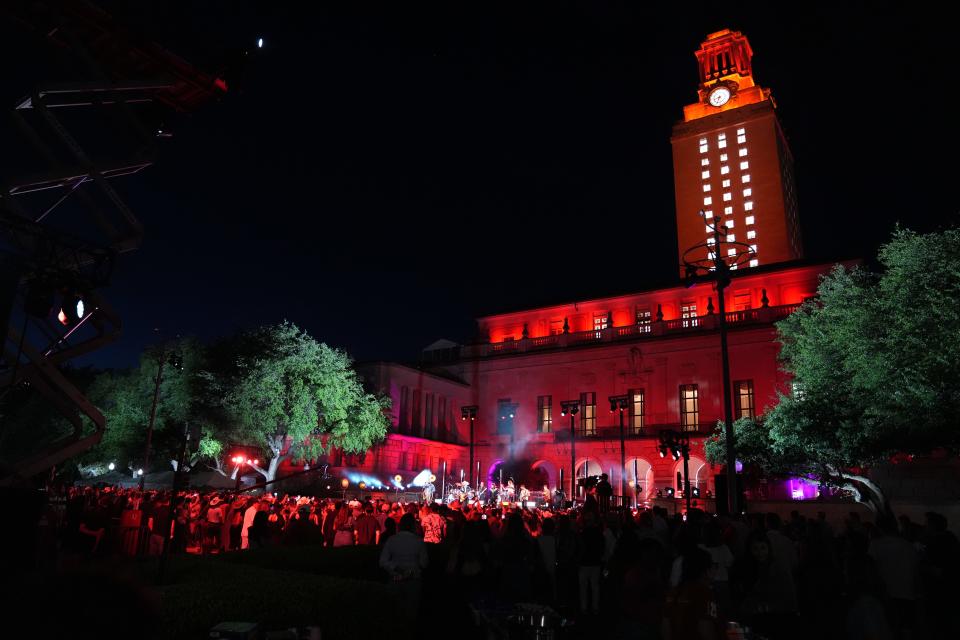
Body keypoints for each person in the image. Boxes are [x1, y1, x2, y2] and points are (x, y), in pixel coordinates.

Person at [380, 513, 428, 621]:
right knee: (411, 613)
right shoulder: (419, 541)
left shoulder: (392, 540)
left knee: (395, 613)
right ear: (413, 526)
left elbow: (383, 561)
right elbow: (424, 563)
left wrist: (395, 567)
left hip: (395, 579)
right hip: (413, 580)